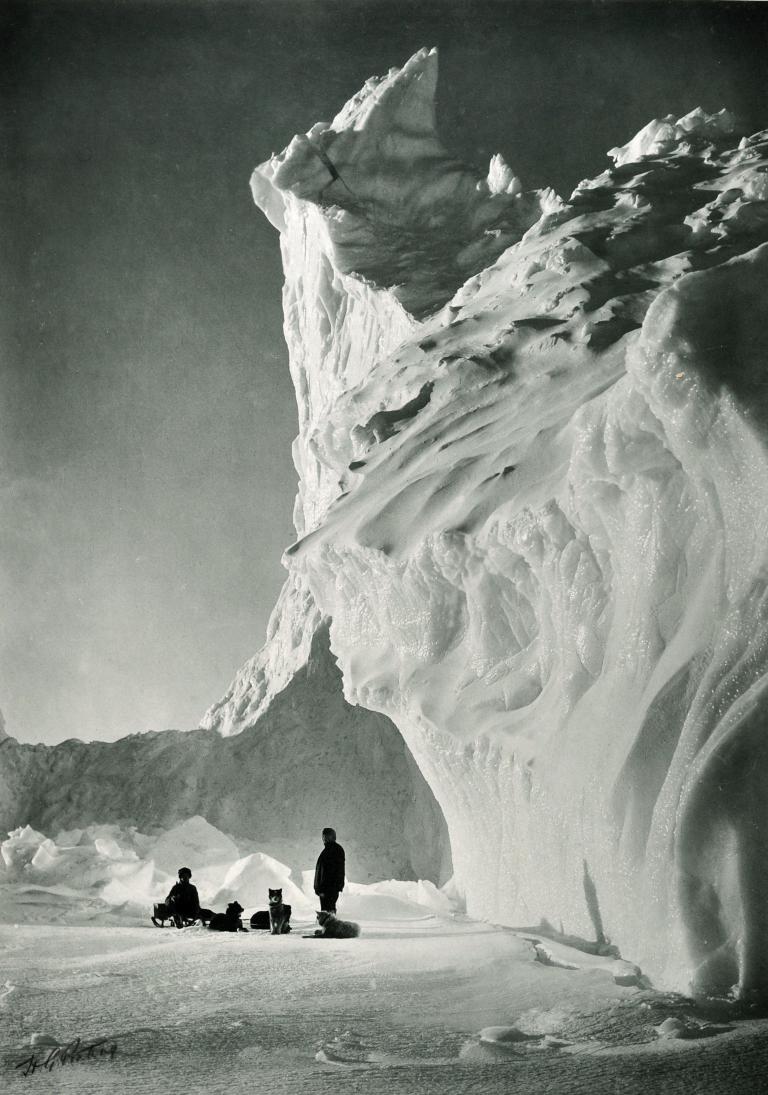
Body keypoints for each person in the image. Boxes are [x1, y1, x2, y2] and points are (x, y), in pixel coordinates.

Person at [314, 827, 345, 913]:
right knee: (326, 912)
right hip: (326, 889)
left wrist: (325, 888)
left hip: (329, 889)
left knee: (328, 913)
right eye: (323, 836)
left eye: (327, 836)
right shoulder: (328, 850)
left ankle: (330, 926)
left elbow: (335, 871)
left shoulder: (335, 850)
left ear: (333, 837)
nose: (324, 839)